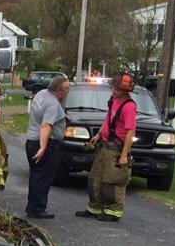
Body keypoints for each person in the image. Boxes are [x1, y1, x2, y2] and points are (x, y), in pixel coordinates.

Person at [77, 71, 137, 222]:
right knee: (95, 179)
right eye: (113, 88)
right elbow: (108, 118)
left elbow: (130, 132)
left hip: (116, 149)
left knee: (112, 181)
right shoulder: (113, 100)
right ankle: (94, 208)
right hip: (104, 147)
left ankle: (113, 211)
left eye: (117, 89)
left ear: (126, 91)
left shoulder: (129, 107)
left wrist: (124, 155)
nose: (113, 91)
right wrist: (98, 134)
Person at [24, 73, 69, 218]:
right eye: (66, 89)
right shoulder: (53, 104)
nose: (68, 92)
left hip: (31, 140)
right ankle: (37, 209)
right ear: (60, 91)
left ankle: (32, 207)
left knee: (36, 175)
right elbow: (45, 126)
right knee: (43, 178)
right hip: (45, 144)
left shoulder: (41, 94)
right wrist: (43, 148)